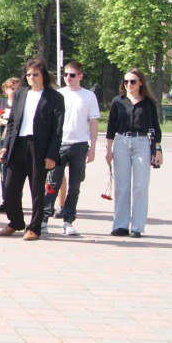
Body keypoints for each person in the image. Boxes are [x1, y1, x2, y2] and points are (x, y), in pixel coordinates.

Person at [0, 59, 64, 241]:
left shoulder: (55, 97)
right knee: (10, 186)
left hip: (39, 148)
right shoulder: (20, 94)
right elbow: (11, 124)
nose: (31, 78)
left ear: (43, 76)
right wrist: (5, 147)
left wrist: (52, 155)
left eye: (35, 74)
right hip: (18, 145)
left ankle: (34, 228)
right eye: (28, 74)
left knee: (36, 189)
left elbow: (58, 131)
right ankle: (15, 221)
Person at [42, 61, 101, 236]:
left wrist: (92, 148)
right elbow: (50, 122)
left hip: (80, 145)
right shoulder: (58, 94)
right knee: (53, 183)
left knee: (75, 185)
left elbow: (93, 122)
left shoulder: (88, 96)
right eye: (65, 74)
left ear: (80, 76)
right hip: (59, 145)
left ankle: (68, 220)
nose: (68, 78)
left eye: (72, 75)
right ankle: (44, 218)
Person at [106, 68, 163, 238]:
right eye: (126, 81)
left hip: (141, 142)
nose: (128, 85)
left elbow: (155, 127)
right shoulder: (118, 101)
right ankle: (121, 225)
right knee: (121, 186)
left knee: (140, 186)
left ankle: (137, 227)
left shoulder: (148, 103)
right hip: (121, 142)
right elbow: (110, 128)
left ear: (140, 83)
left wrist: (158, 149)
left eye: (132, 81)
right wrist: (108, 149)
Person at [0, 77, 20, 212]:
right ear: (5, 90)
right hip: (1, 142)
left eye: (16, 89)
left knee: (17, 173)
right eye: (11, 88)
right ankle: (6, 201)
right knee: (3, 172)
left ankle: (16, 201)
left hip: (18, 143)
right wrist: (5, 122)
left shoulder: (21, 104)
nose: (13, 91)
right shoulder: (1, 102)